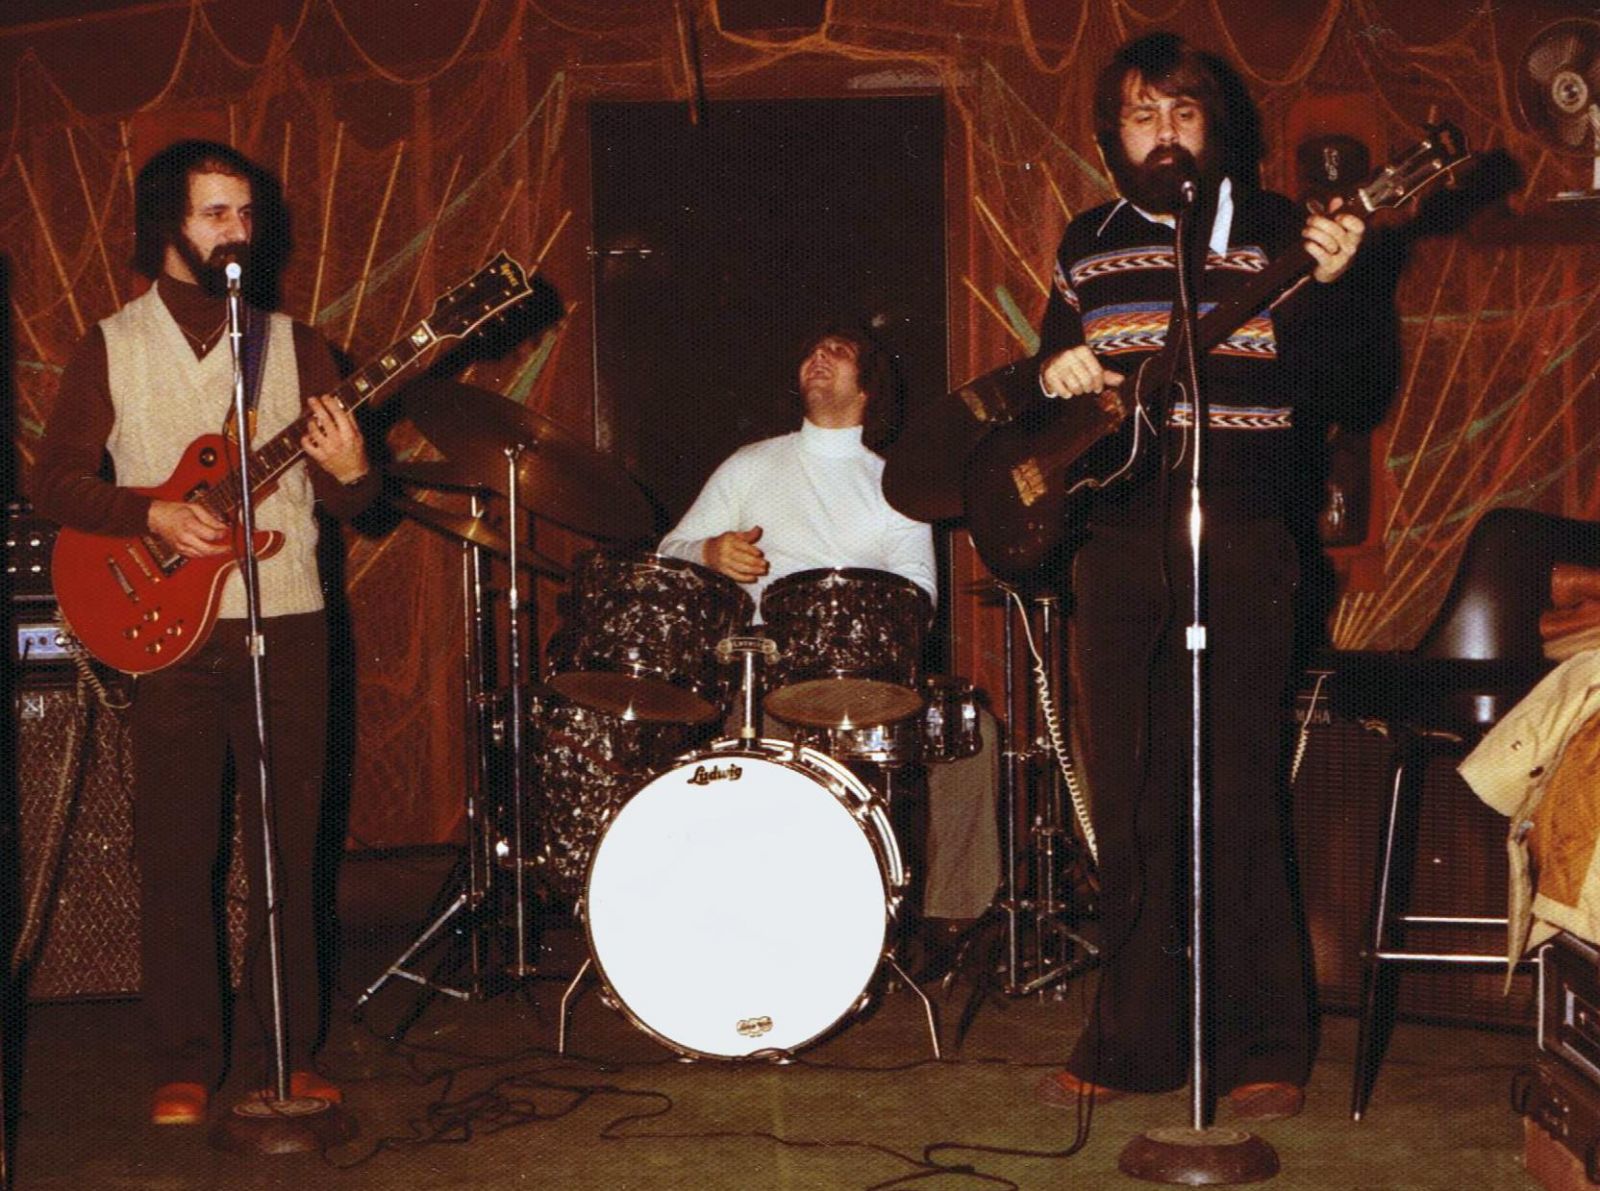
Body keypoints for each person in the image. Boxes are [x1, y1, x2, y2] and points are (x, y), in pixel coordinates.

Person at [1027, 33, 1386, 1119]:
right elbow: (1049, 408)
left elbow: (1353, 393)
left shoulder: (1287, 234)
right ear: (1113, 139)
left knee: (1234, 788)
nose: (1164, 136)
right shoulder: (1086, 243)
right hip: (1120, 543)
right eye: (1142, 118)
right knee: (1134, 797)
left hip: (1242, 538)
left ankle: (1264, 1040)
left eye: (1182, 114)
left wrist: (1341, 288)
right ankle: (1134, 1036)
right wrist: (1060, 371)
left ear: (1212, 127)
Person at [30, 139, 378, 1125]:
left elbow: (358, 505)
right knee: (176, 853)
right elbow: (50, 481)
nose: (235, 231)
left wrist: (352, 466)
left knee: (288, 849)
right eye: (213, 212)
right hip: (166, 631)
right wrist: (147, 513)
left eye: (244, 213)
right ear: (165, 227)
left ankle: (286, 1054)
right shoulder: (111, 343)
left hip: (290, 622)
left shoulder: (295, 342)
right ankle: (183, 1060)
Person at [659, 324, 1000, 941]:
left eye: (836, 353)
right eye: (811, 351)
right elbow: (670, 549)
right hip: (769, 672)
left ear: (866, 387)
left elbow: (919, 591)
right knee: (748, 746)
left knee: (973, 732)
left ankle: (952, 919)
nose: (817, 358)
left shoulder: (897, 485)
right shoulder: (751, 465)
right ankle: (756, 918)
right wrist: (709, 550)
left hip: (872, 676)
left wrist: (862, 626)